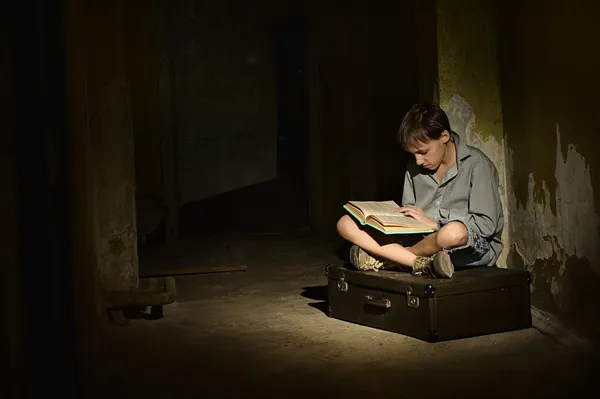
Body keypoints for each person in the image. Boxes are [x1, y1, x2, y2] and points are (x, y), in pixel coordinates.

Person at [336, 103, 504, 278]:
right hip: (421, 242)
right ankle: (417, 262)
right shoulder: (414, 169)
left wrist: (434, 223)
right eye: (413, 154)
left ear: (444, 137)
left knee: (452, 233)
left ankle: (392, 260)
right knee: (345, 222)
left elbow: (486, 225)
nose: (418, 161)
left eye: (423, 152)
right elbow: (410, 217)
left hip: (463, 247)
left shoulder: (477, 164)